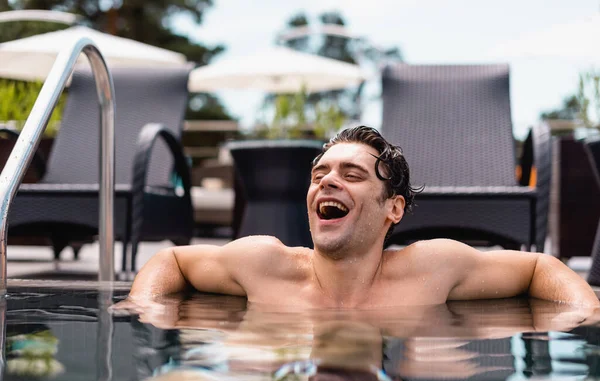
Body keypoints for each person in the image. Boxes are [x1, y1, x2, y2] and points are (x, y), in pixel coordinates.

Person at [119, 125, 599, 309]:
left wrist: (586, 316)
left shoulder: (432, 269)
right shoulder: (265, 264)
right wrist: (143, 309)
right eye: (320, 173)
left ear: (393, 208)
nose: (328, 182)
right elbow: (173, 262)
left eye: (352, 174)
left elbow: (542, 267)